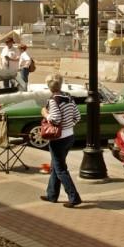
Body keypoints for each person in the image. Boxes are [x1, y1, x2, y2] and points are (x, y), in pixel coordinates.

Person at [39, 73, 82, 208]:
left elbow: (56, 119)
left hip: (58, 139)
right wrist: (69, 125)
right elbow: (78, 117)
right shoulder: (68, 97)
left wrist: (45, 114)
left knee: (60, 169)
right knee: (55, 166)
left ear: (49, 86)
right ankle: (52, 194)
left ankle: (74, 197)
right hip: (69, 136)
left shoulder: (53, 100)